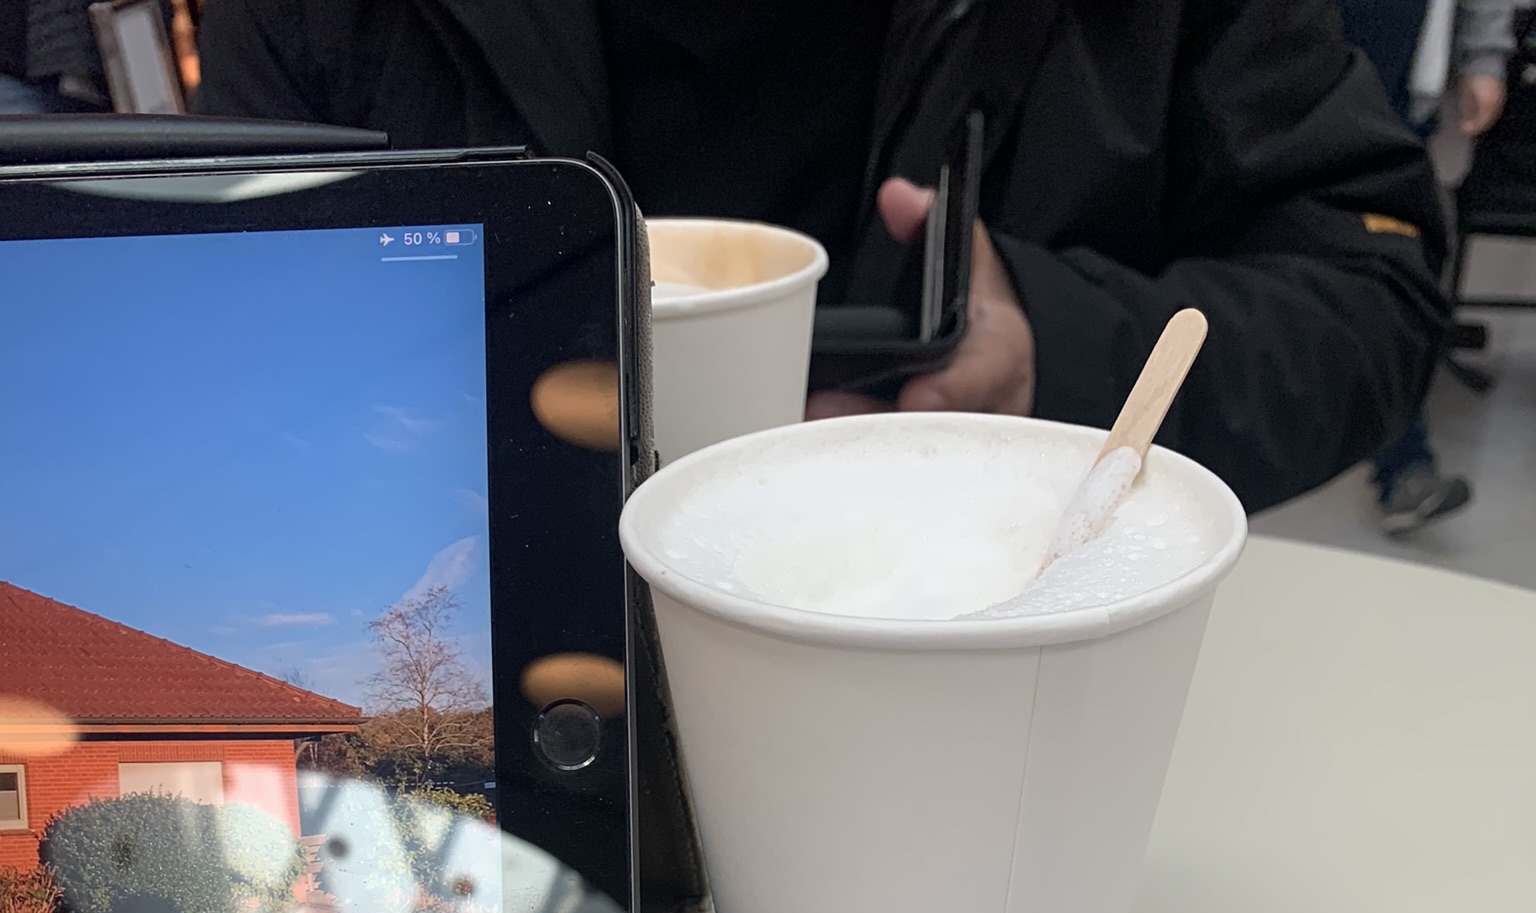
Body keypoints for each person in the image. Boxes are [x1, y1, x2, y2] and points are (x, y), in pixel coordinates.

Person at [195, 0, 1450, 514]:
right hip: (486, 695)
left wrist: (1055, 354)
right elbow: (228, 343)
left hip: (1011, 689)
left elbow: (1368, 285)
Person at [1338, 0, 1515, 533]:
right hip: (1260, 70)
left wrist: (1483, 59)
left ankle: (1403, 465)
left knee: (1391, 267)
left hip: (1389, 80)